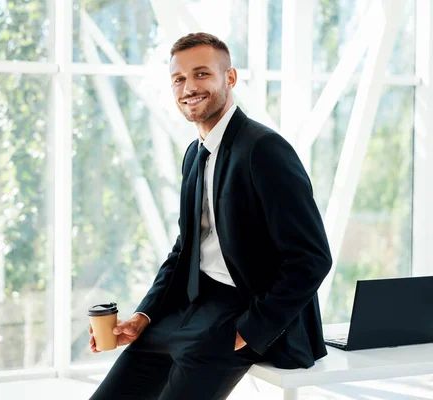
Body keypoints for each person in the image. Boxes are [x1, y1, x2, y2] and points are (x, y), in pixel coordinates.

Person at [88, 32, 332, 400]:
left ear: (229, 79)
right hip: (190, 307)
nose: (188, 87)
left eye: (201, 74)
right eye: (179, 79)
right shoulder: (194, 153)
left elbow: (312, 258)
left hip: (241, 313)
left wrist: (249, 330)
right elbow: (184, 249)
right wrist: (145, 316)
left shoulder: (263, 149)